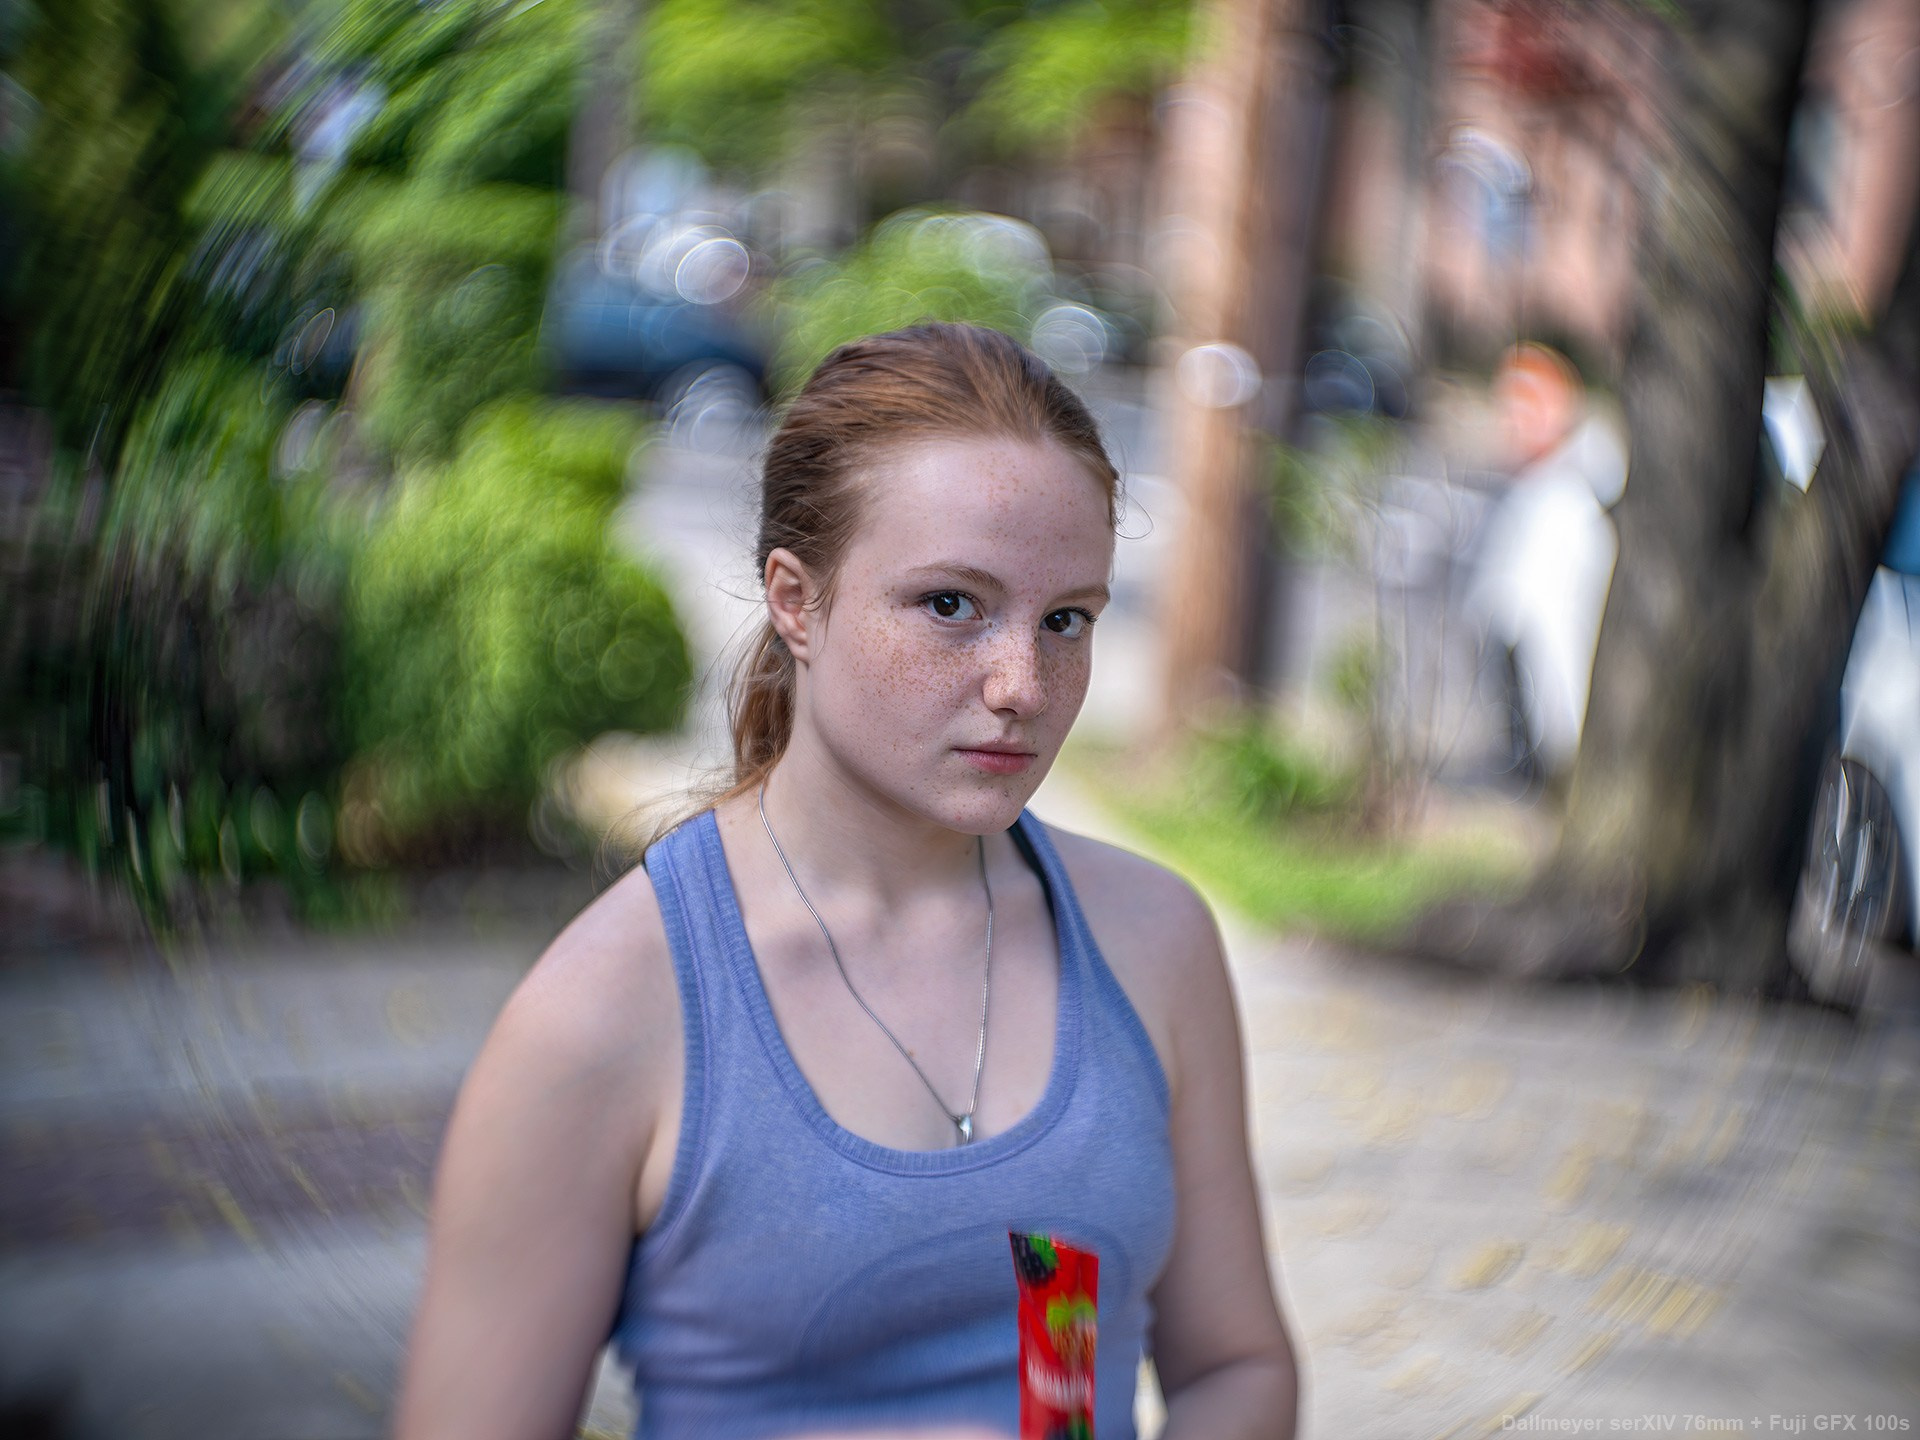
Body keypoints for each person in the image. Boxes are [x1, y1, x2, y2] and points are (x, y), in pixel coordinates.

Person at [393, 322, 1300, 1440]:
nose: (1022, 684)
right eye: (952, 605)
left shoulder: (1151, 940)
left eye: (1066, 619)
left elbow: (1235, 1367)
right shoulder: (605, 1015)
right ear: (795, 599)